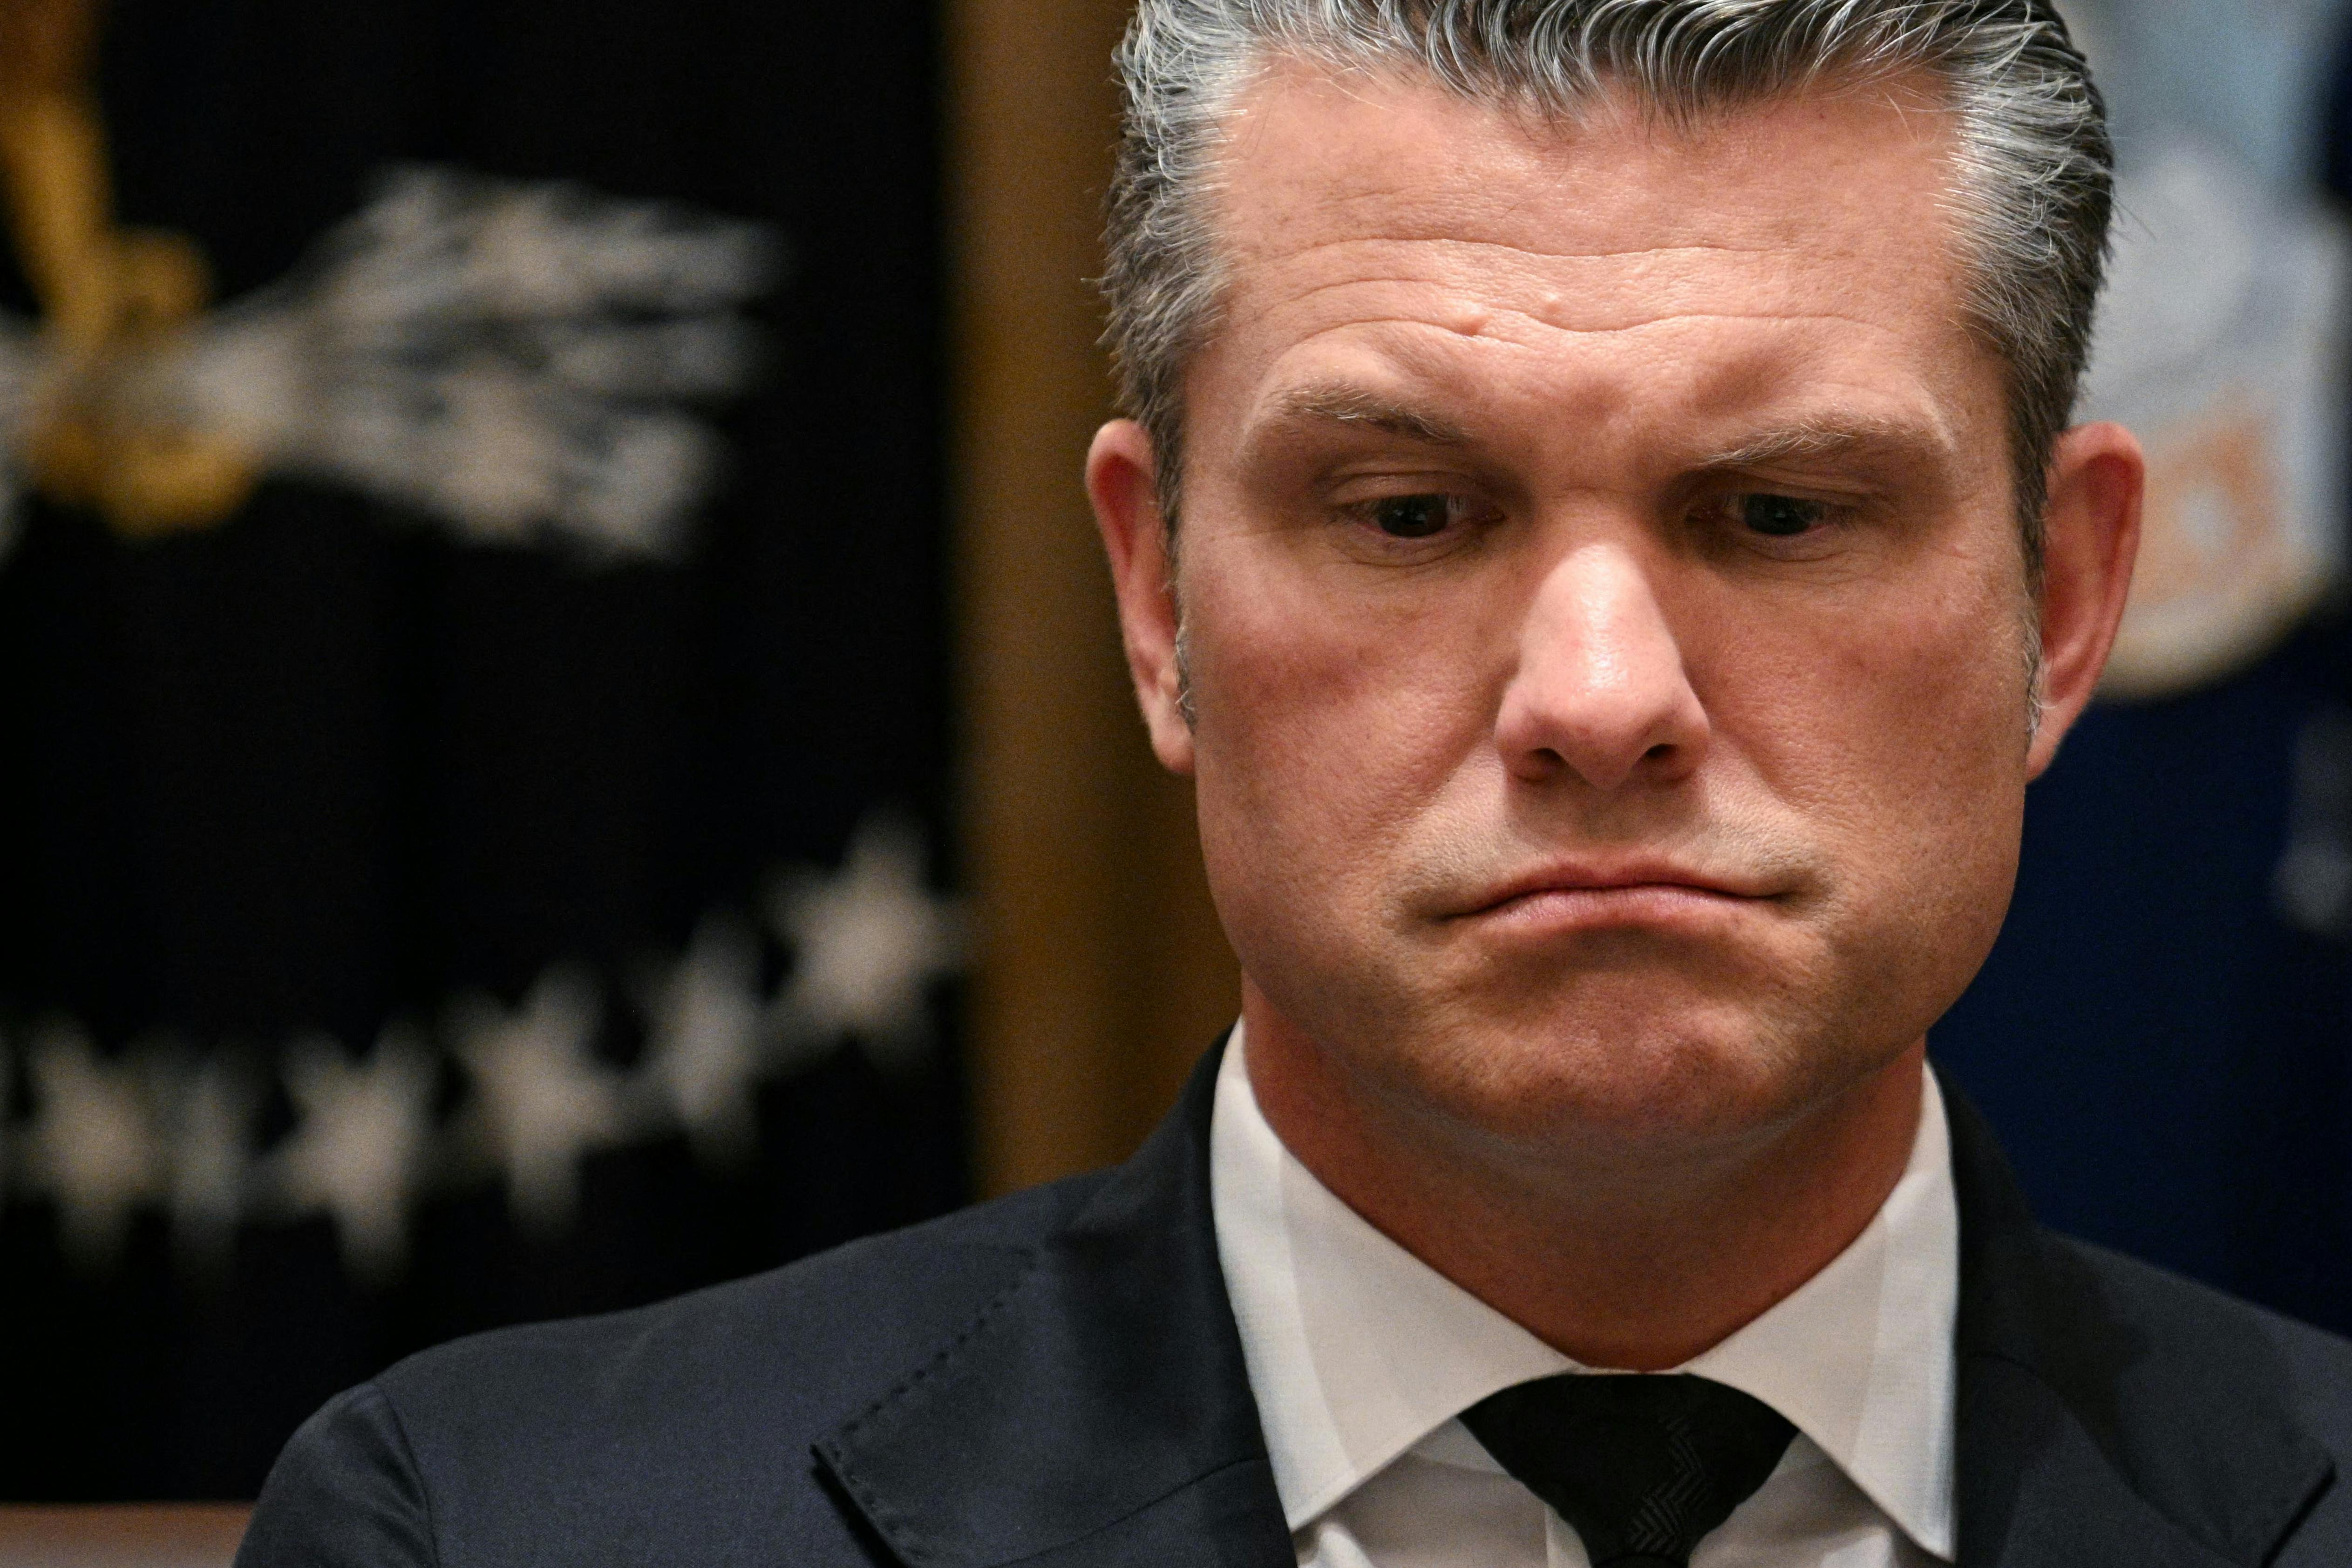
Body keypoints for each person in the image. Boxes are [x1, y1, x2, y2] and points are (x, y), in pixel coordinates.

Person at [235, 3, 2352, 1565]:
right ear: (1156, 599)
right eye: (1412, 512)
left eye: (1782, 510)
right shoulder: (504, 1532)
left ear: (2058, 602)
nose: (1601, 697)